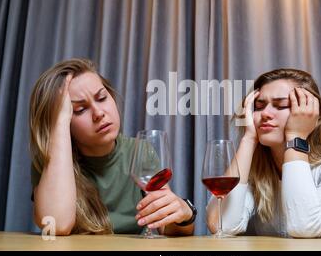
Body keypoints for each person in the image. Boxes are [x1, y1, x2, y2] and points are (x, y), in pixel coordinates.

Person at [29, 58, 196, 235]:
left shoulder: (140, 151)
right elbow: (57, 225)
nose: (99, 113)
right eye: (79, 110)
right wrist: (60, 122)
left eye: (102, 98)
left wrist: (185, 214)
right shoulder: (49, 162)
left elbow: (168, 227)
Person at [206, 68, 321, 238]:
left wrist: (296, 137)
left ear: (311, 114)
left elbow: (305, 226)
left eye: (281, 105)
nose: (265, 114)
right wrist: (248, 139)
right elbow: (220, 226)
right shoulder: (253, 173)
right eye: (259, 106)